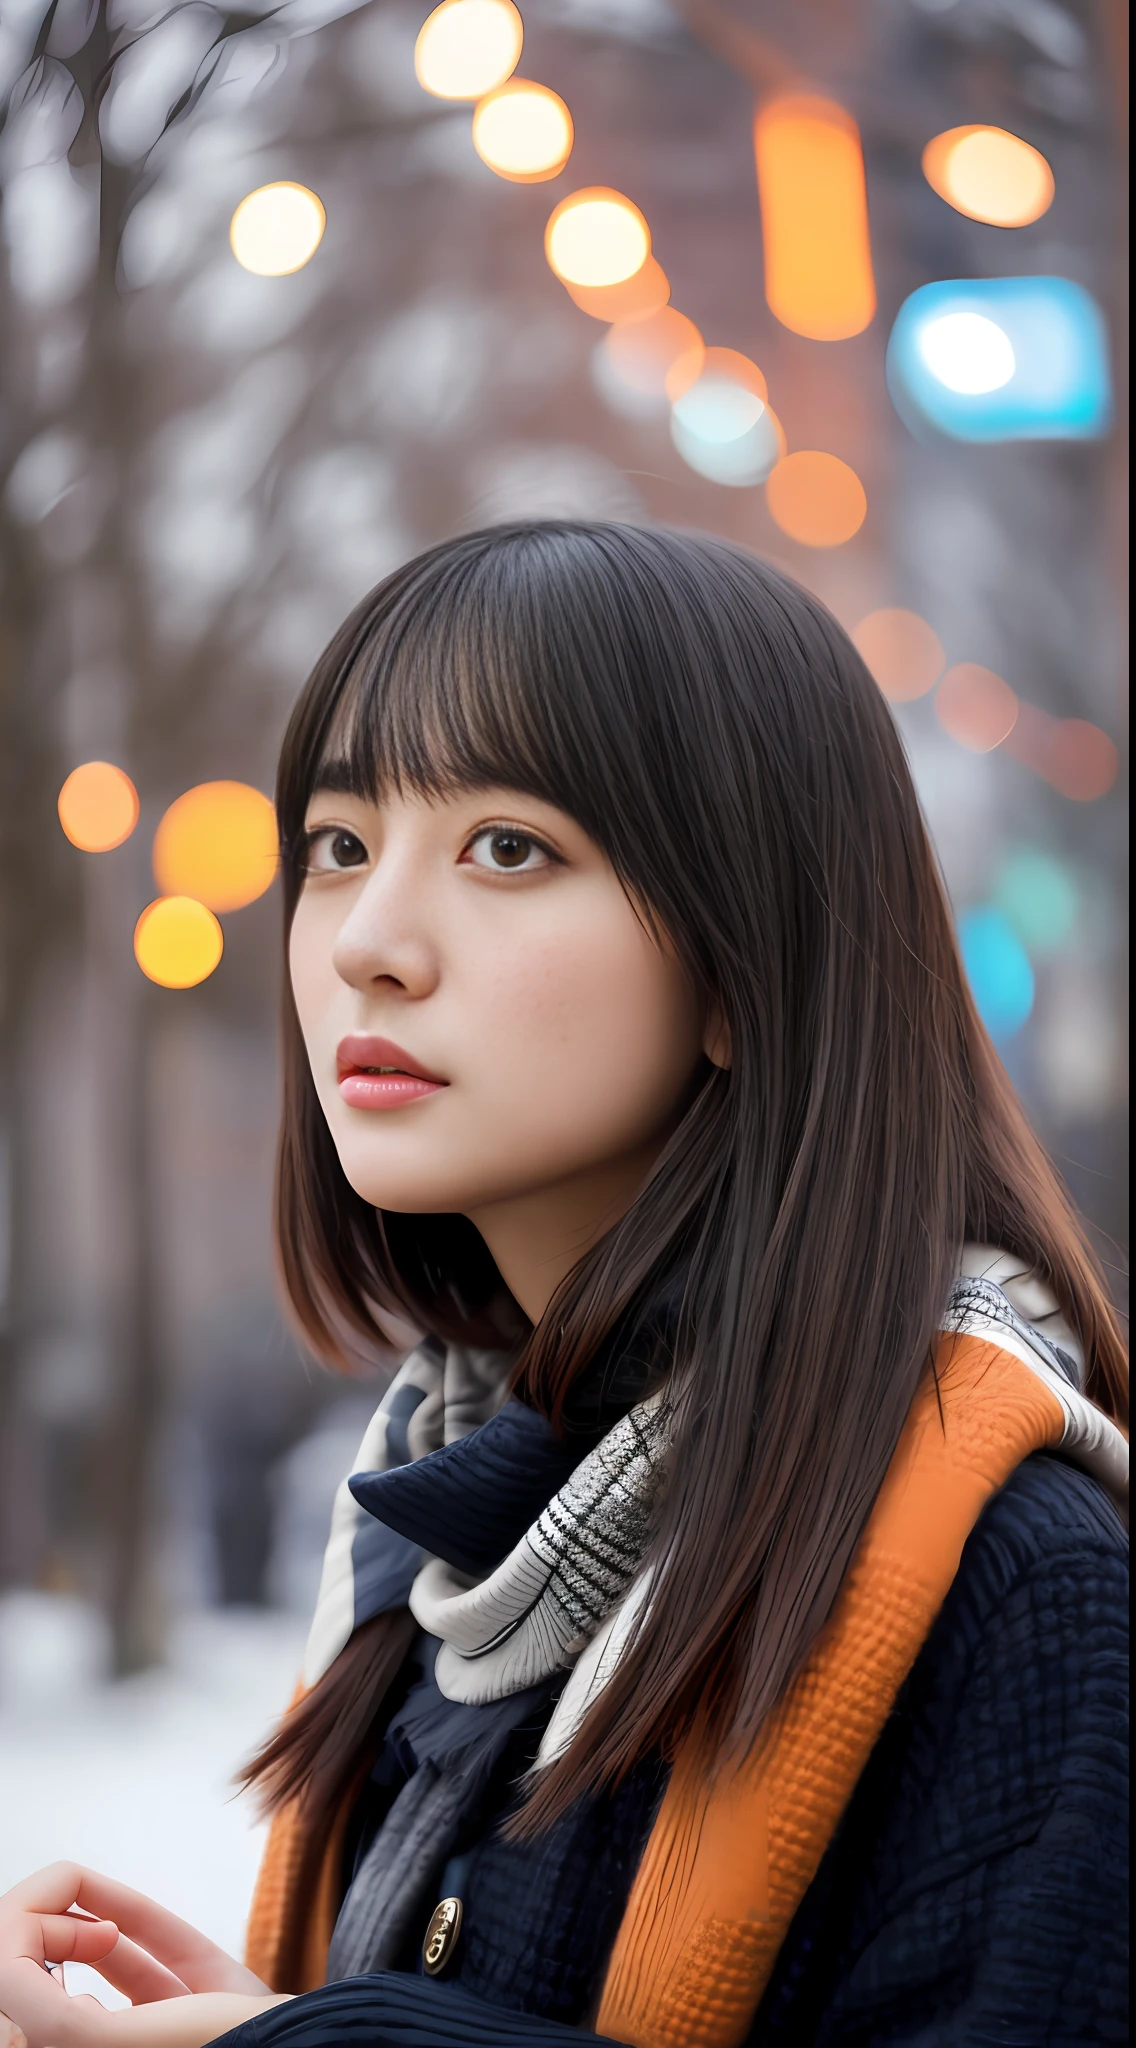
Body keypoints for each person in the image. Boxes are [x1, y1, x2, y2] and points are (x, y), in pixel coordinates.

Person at [1, 522, 1127, 2048]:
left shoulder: (1027, 1582)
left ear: (743, 966)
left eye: (507, 848)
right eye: (337, 847)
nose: (371, 945)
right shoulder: (449, 1530)